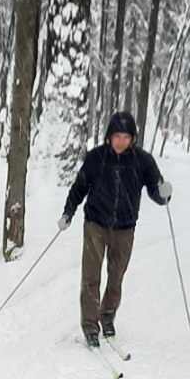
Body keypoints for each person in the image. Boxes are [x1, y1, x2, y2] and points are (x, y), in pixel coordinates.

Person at [59, 110, 172, 347]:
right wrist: (68, 212)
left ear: (132, 138)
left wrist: (163, 194)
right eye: (116, 136)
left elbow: (155, 188)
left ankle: (107, 317)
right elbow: (79, 187)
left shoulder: (143, 161)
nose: (120, 141)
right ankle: (91, 326)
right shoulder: (96, 158)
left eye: (126, 137)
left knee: (116, 278)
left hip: (125, 229)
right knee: (91, 277)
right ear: (109, 136)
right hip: (95, 225)